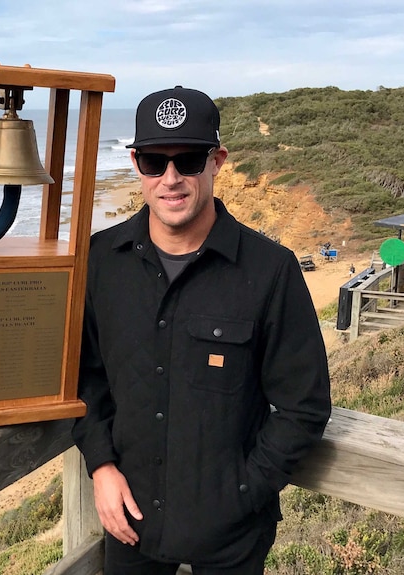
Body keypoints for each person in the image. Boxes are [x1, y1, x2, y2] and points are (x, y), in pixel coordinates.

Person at [71, 86, 332, 575]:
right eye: (154, 161)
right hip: (132, 524)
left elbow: (304, 407)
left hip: (232, 538)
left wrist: (242, 491)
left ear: (218, 161)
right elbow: (85, 376)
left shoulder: (271, 270)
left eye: (188, 159)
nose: (171, 179)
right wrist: (101, 465)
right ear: (135, 163)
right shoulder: (101, 261)